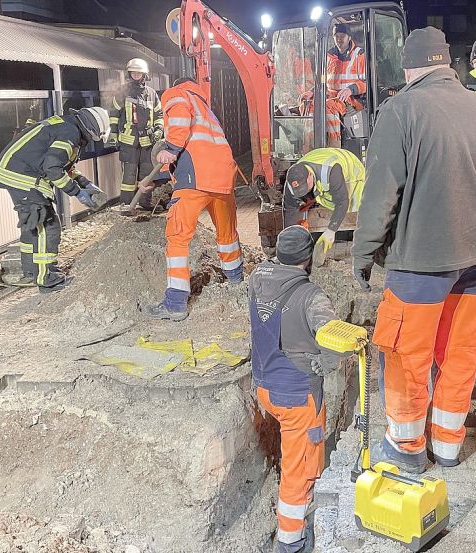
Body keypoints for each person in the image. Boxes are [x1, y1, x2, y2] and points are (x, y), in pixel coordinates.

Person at [352, 27, 476, 471]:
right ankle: (449, 445)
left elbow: (381, 193)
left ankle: (406, 448)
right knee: (458, 351)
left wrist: (363, 255)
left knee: (405, 355)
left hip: (424, 259)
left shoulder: (401, 110)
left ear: (410, 66)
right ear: (447, 63)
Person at [250, 225, 344, 553]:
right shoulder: (312, 297)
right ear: (307, 260)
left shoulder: (257, 279)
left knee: (292, 457)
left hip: (265, 387)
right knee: (299, 469)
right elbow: (334, 336)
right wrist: (329, 361)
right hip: (296, 395)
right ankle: (291, 542)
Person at [142, 78, 241, 322]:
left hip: (196, 177)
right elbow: (197, 148)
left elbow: (178, 126)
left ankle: (175, 304)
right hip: (223, 177)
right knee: (227, 234)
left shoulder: (177, 94)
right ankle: (237, 280)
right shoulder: (206, 111)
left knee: (177, 237)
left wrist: (171, 148)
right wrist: (153, 182)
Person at [0, 107, 108, 291]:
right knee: (49, 226)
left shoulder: (66, 125)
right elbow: (53, 168)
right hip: (24, 177)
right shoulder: (70, 134)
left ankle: (31, 273)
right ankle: (47, 278)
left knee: (33, 224)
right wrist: (77, 192)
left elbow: (60, 163)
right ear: (92, 131)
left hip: (14, 171)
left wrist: (84, 183)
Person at [283, 147, 365, 265]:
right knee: (319, 197)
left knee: (355, 206)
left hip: (353, 174)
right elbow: (290, 210)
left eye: (304, 188)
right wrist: (290, 244)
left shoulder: (331, 171)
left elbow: (342, 202)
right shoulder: (292, 181)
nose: (302, 192)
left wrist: (331, 231)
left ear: (310, 175)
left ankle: (367, 248)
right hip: (324, 179)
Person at [109, 58, 165, 211]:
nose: (136, 75)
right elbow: (114, 114)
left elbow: (159, 115)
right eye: (133, 73)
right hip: (129, 141)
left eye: (138, 73)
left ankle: (144, 202)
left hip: (147, 141)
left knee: (147, 173)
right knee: (129, 175)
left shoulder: (152, 94)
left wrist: (159, 130)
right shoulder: (122, 92)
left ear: (144, 75)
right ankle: (127, 204)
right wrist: (113, 135)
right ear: (129, 74)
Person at [325, 23, 367, 147]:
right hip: (332, 96)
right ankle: (309, 147)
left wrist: (350, 89)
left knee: (328, 106)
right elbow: (324, 79)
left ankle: (334, 147)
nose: (339, 39)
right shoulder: (329, 56)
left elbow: (366, 82)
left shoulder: (358, 54)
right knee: (309, 104)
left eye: (342, 36)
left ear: (349, 37)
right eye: (336, 36)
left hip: (352, 100)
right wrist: (312, 91)